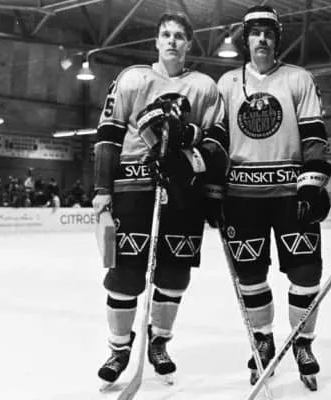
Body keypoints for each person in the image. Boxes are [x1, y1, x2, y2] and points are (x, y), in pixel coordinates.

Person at [92, 12, 228, 387]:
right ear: (156, 41)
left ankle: (159, 342)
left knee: (174, 271)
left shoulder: (204, 87)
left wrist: (193, 158)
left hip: (183, 190)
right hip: (132, 187)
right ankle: (119, 349)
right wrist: (102, 190)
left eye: (179, 36)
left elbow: (218, 144)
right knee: (124, 272)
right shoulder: (132, 78)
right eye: (165, 35)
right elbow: (108, 137)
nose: (172, 41)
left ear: (189, 44)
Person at [217, 5, 331, 391]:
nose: (262, 38)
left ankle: (302, 342)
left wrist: (312, 183)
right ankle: (263, 339)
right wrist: (212, 191)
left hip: (291, 194)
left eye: (268, 32)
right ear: (245, 40)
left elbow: (314, 135)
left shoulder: (298, 78)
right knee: (250, 275)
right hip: (241, 196)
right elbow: (217, 143)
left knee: (306, 273)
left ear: (277, 39)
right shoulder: (227, 83)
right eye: (255, 32)